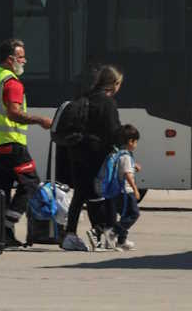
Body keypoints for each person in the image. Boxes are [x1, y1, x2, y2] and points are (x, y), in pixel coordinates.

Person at [0, 39, 53, 246]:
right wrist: (40, 120)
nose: (25, 60)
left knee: (1, 188)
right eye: (21, 57)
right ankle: (7, 224)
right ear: (10, 59)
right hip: (11, 143)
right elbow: (14, 114)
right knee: (30, 184)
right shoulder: (12, 82)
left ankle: (0, 235)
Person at [61, 65, 124, 252]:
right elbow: (114, 132)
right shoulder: (108, 103)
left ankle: (70, 235)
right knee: (100, 195)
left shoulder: (84, 97)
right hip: (97, 155)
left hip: (76, 152)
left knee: (80, 195)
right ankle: (101, 234)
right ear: (114, 84)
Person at [106, 124, 142, 251]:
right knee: (134, 214)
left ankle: (121, 241)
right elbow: (127, 174)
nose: (136, 145)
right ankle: (113, 232)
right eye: (136, 142)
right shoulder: (126, 156)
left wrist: (134, 166)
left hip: (119, 192)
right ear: (130, 141)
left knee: (125, 216)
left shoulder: (120, 154)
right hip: (126, 191)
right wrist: (136, 189)